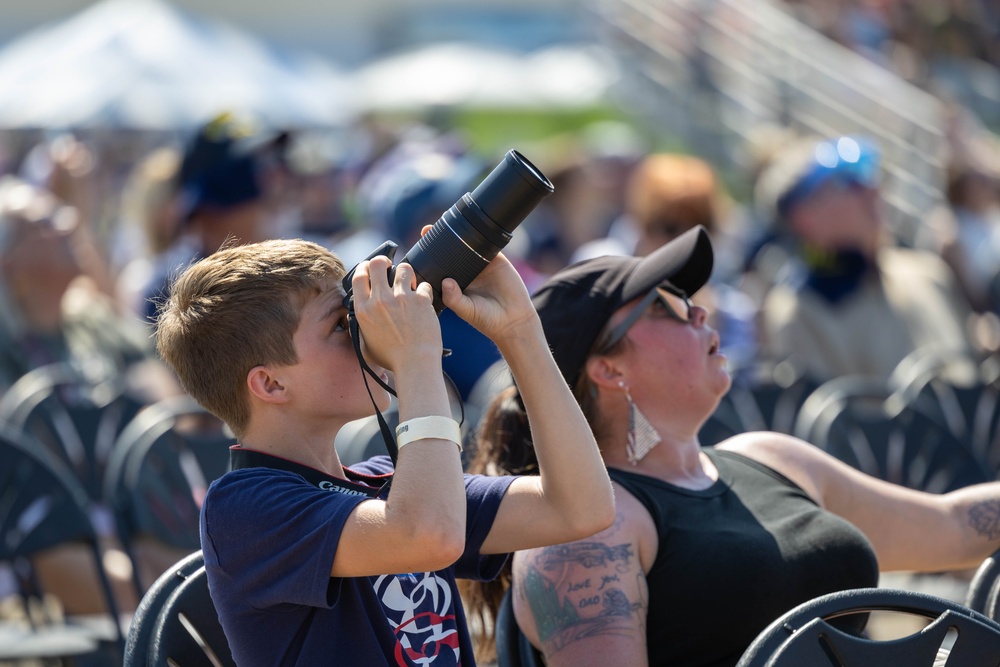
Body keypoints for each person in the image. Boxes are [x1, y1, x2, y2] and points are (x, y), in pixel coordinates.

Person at [462, 225, 1000, 667]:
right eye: (666, 305)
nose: (699, 311)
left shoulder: (772, 458)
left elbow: (955, 529)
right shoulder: (586, 531)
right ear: (608, 369)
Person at [152, 233, 614, 665]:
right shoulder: (243, 512)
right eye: (340, 324)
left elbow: (579, 508)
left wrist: (519, 331)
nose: (364, 333)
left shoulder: (391, 483)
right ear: (271, 383)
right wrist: (415, 357)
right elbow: (427, 536)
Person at [752, 134, 979, 381]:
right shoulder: (798, 311)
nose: (873, 190)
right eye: (847, 182)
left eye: (869, 177)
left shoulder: (927, 272)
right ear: (804, 217)